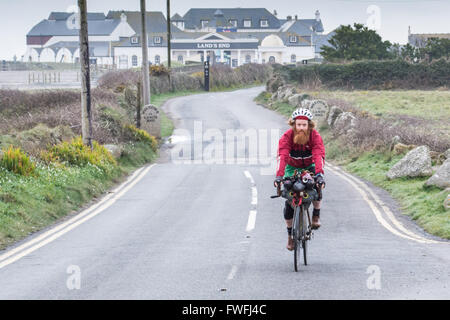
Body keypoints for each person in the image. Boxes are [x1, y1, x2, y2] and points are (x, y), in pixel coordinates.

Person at [274, 108, 326, 251]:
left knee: (317, 186)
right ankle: (290, 237)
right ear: (294, 125)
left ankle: (316, 215)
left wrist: (319, 174)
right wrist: (279, 176)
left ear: (309, 125)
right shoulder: (287, 137)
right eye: (299, 125)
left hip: (310, 166)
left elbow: (318, 155)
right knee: (289, 201)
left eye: (304, 125)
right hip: (291, 167)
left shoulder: (315, 136)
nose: (301, 128)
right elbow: (282, 156)